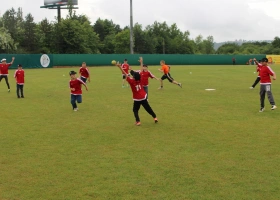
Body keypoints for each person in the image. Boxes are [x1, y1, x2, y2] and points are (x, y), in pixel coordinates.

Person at [116, 61, 158, 126]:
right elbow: (141, 71)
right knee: (148, 108)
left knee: (135, 110)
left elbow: (126, 74)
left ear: (134, 77)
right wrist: (141, 62)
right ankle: (155, 117)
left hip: (137, 99)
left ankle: (138, 121)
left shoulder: (131, 81)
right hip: (143, 97)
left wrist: (119, 67)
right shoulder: (141, 79)